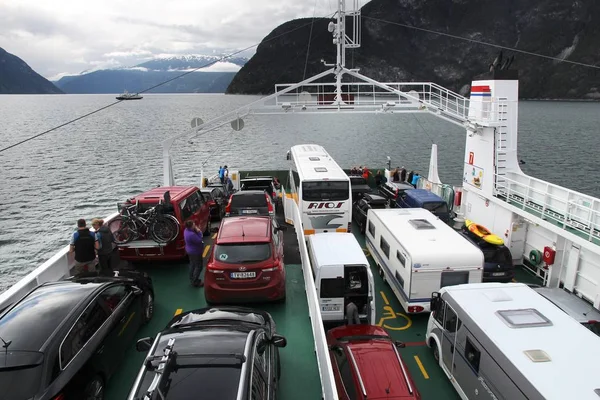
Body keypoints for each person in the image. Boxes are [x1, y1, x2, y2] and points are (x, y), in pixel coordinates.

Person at [184, 220, 204, 287]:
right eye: (194, 225)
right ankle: (195, 281)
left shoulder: (186, 230)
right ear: (191, 226)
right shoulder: (191, 235)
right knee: (199, 266)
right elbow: (199, 239)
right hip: (195, 252)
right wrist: (199, 232)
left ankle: (192, 278)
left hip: (190, 251)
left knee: (192, 265)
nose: (195, 225)